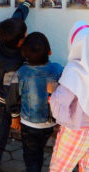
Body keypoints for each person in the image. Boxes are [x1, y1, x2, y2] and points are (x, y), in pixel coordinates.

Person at [0, 0, 42, 172]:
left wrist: (29, 0)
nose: (27, 33)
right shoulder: (14, 65)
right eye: (25, 34)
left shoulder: (5, 38)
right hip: (1, 105)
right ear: (20, 41)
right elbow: (11, 93)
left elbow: (18, 15)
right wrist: (14, 116)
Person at [6, 32, 63, 172]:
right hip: (51, 122)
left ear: (24, 54)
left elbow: (12, 96)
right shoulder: (58, 69)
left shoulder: (21, 72)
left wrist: (14, 116)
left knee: (31, 157)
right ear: (49, 51)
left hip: (29, 125)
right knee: (40, 149)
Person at [49, 21, 89, 172]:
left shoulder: (74, 69)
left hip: (76, 130)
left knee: (60, 167)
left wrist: (53, 91)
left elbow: (60, 101)